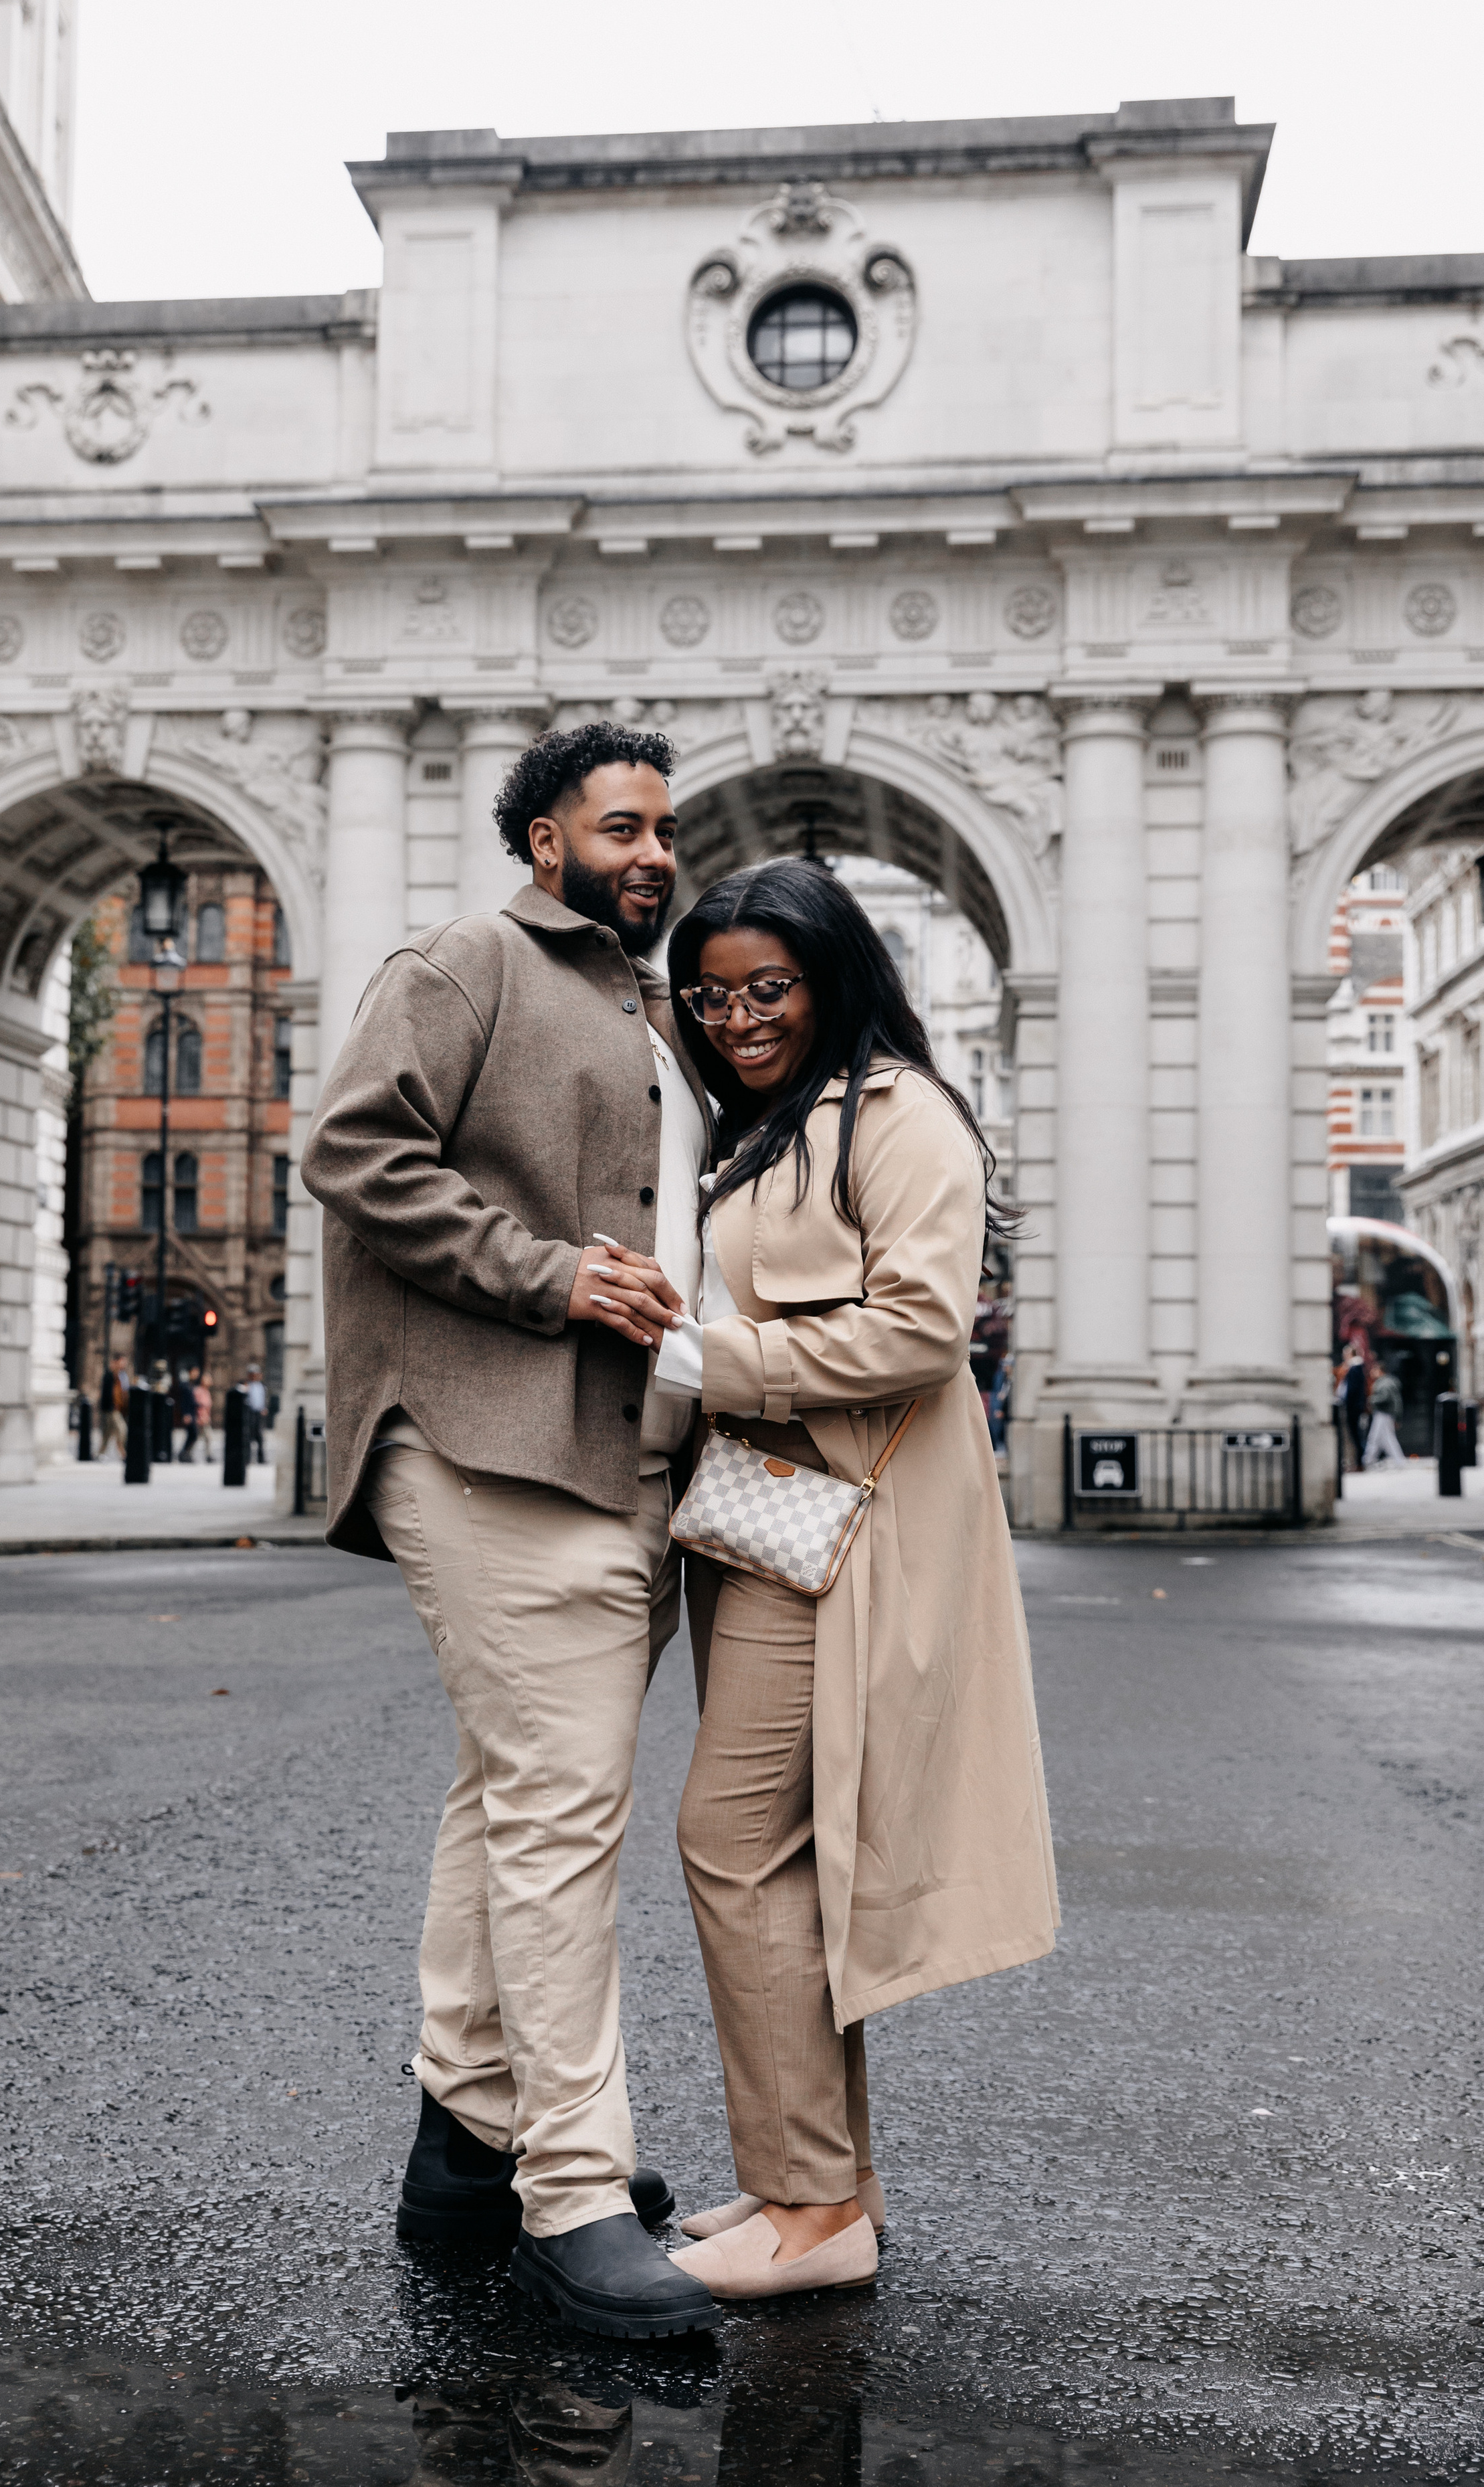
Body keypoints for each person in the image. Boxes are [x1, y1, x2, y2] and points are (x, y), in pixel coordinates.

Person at [300, 719, 721, 2342]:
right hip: (482, 1436)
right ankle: (569, 2191)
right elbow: (350, 1145)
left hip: (625, 1458)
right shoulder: (468, 958)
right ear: (543, 840)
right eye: (619, 826)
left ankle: (466, 2150)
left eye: (664, 828)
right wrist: (545, 1272)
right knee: (557, 1818)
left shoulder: (654, 1008)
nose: (652, 852)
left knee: (513, 1798)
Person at [644, 857, 1058, 2304]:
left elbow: (922, 1330)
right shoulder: (766, 1128)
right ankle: (818, 2182)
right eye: (711, 994)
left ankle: (811, 2211)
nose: (737, 1016)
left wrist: (718, 1359)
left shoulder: (894, 1115)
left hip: (846, 1529)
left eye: (768, 987)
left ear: (832, 979)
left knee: (729, 1840)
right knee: (784, 1858)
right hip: (767, 1516)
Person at [1363, 1361, 1407, 1466]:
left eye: (1375, 1370)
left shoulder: (1385, 1383)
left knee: (1381, 1438)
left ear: (1380, 1371)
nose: (1372, 1373)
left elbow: (1386, 1398)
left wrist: (1372, 1400)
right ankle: (1369, 1460)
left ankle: (1368, 1460)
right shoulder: (1386, 1382)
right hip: (1384, 1414)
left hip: (1384, 1414)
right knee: (1380, 1438)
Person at [98, 1357, 130, 1458]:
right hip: (112, 1408)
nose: (123, 1365)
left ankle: (100, 1454)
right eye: (121, 1362)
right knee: (122, 1429)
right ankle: (123, 1452)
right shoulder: (110, 1375)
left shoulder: (123, 1375)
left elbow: (124, 1391)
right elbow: (108, 1393)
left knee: (108, 1432)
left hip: (119, 1408)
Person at [243, 1363, 267, 1463]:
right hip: (250, 1413)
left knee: (260, 1437)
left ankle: (261, 1458)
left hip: (258, 1414)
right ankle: (247, 1458)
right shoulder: (247, 1386)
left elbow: (264, 1399)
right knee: (248, 1436)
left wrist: (264, 1408)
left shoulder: (261, 1386)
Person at [174, 1364, 198, 1463]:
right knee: (193, 1434)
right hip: (188, 1413)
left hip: (192, 1412)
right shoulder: (185, 1385)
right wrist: (185, 1414)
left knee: (193, 1435)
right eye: (195, 1372)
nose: (197, 1374)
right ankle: (184, 1453)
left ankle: (185, 1453)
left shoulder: (192, 1384)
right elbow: (184, 1402)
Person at [191, 1370, 213, 1464]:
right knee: (201, 1437)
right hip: (200, 1418)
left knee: (203, 1437)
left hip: (206, 1418)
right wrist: (201, 1417)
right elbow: (197, 1406)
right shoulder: (198, 1391)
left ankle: (208, 1455)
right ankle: (187, 1452)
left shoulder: (207, 1392)